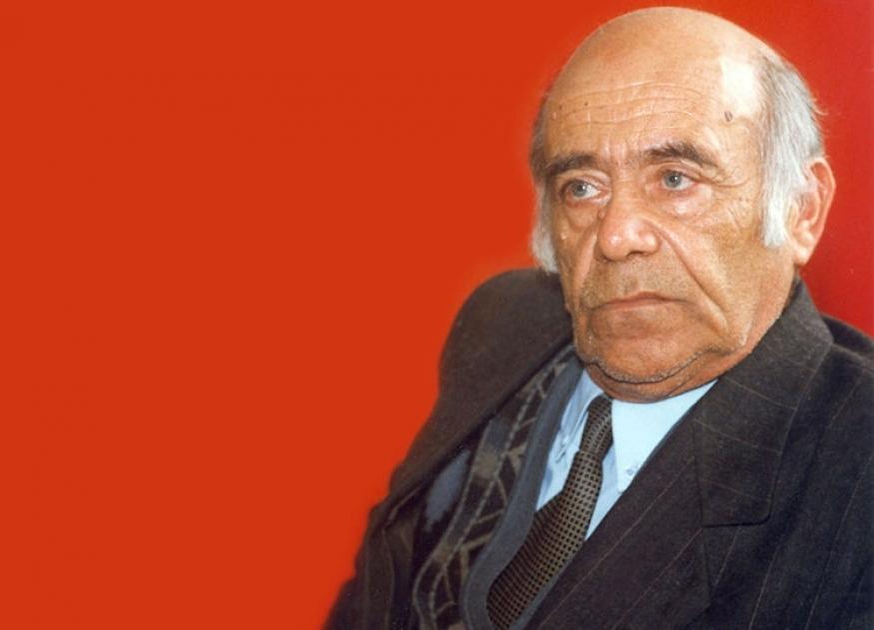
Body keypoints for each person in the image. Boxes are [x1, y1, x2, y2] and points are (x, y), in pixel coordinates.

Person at [328, 7, 872, 629]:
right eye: (582, 187)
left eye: (675, 179)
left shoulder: (856, 470)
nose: (616, 236)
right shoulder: (502, 323)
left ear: (802, 209)